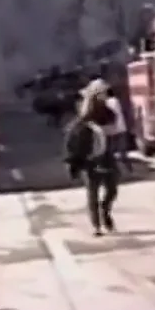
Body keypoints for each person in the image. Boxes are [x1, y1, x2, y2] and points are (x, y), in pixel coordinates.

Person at [63, 84, 122, 236]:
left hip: (107, 157)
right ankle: (96, 225)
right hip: (90, 160)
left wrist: (110, 134)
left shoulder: (108, 113)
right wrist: (73, 162)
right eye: (101, 94)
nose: (104, 96)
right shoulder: (83, 118)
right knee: (93, 192)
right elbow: (73, 138)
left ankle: (105, 210)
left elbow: (115, 129)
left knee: (112, 189)